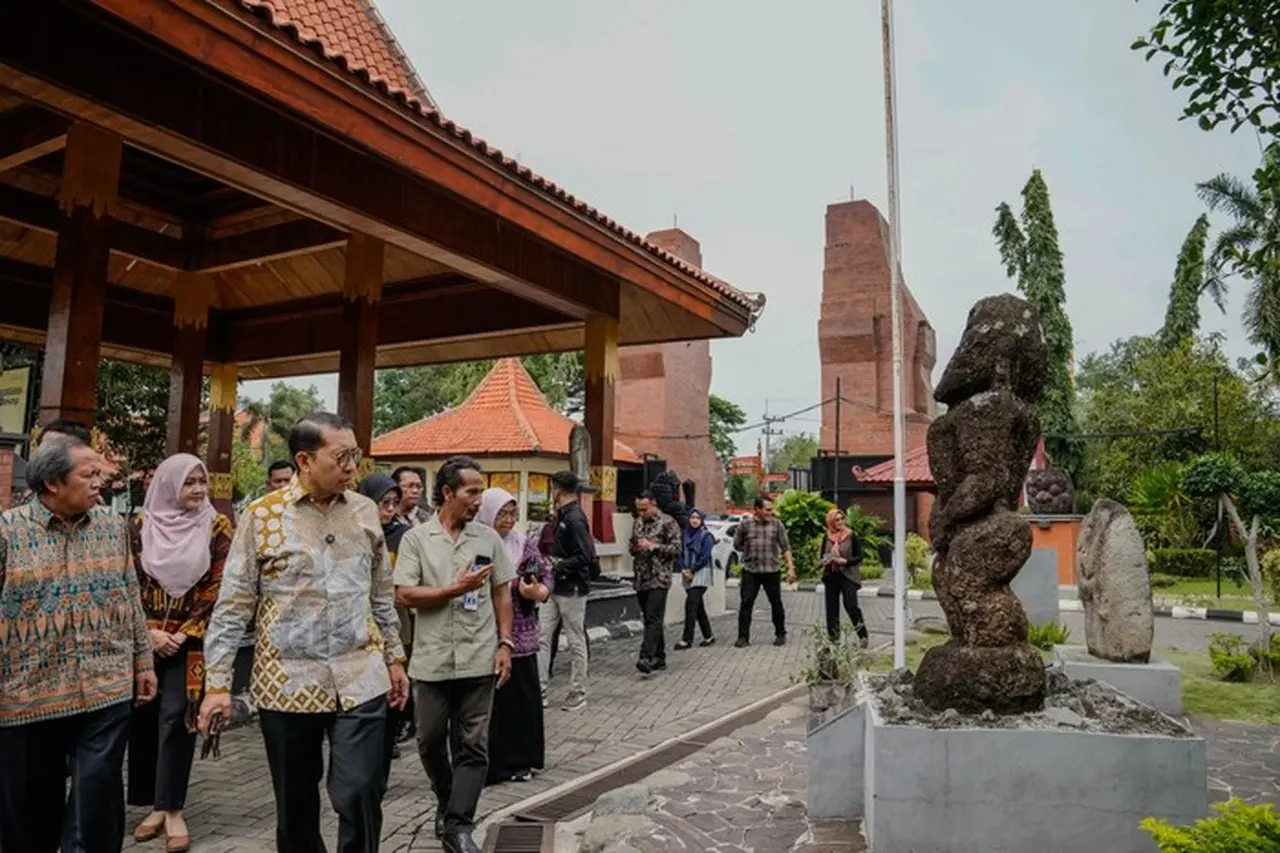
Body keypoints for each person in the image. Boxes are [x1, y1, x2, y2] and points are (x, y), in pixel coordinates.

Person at [199, 412, 409, 853]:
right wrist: (217, 684)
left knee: (359, 789)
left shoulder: (365, 511)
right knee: (295, 805)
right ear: (304, 460)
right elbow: (234, 605)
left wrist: (394, 657)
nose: (352, 467)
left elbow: (381, 595)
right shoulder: (262, 516)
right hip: (287, 684)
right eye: (341, 457)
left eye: (355, 455)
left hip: (360, 674)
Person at [0, 437, 157, 853]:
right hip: (27, 695)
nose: (99, 482)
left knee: (97, 801)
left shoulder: (112, 526)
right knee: (29, 813)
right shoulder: (7, 532)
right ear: (53, 483)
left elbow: (130, 595)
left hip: (106, 687)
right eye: (89, 475)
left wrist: (143, 662)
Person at [394, 456, 515, 853]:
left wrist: (505, 643)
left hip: (479, 656)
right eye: (471, 491)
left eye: (481, 491)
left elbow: (501, 592)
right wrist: (454, 590)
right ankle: (446, 798)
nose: (478, 499)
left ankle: (459, 825)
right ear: (447, 493)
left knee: (473, 744)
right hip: (431, 661)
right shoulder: (416, 539)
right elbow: (405, 594)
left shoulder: (488, 539)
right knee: (429, 741)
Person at [128, 454, 232, 852]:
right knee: (143, 716)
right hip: (145, 639)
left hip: (192, 644)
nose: (199, 489)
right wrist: (150, 631)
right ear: (169, 485)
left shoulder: (217, 526)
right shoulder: (139, 526)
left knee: (178, 717)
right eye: (189, 482)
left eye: (202, 481)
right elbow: (128, 581)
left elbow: (219, 584)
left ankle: (172, 808)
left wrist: (185, 631)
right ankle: (152, 803)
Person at [476, 487, 552, 785]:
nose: (508, 520)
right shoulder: (476, 543)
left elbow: (546, 576)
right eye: (501, 514)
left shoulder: (524, 544)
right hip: (485, 634)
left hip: (521, 636)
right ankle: (490, 765)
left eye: (512, 514)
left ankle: (523, 760)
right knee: (492, 705)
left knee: (521, 702)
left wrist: (538, 591)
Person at [356, 473, 413, 775]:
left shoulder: (404, 537)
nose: (390, 509)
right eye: (383, 503)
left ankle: (387, 746)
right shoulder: (354, 532)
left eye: (394, 503)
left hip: (395, 624)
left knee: (393, 689)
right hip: (359, 628)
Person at [538, 470, 596, 710]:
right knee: (542, 637)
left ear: (558, 490)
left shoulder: (575, 519)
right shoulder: (563, 516)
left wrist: (559, 565)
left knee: (574, 640)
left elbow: (585, 556)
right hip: (554, 585)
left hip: (572, 587)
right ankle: (539, 689)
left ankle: (578, 691)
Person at [732, 495, 796, 647]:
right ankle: (743, 637)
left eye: (771, 510)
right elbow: (737, 544)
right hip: (751, 571)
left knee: (776, 603)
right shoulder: (745, 525)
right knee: (746, 603)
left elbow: (785, 547)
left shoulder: (777, 524)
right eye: (767, 510)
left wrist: (790, 568)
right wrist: (749, 551)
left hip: (771, 570)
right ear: (757, 509)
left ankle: (780, 634)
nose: (770, 513)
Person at [629, 492, 681, 674]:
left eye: (645, 509)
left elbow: (676, 548)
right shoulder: (638, 522)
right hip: (641, 577)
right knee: (651, 619)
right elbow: (631, 547)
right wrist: (636, 546)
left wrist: (653, 547)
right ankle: (660, 656)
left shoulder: (668, 522)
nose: (642, 513)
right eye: (639, 510)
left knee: (653, 617)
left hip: (659, 577)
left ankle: (646, 657)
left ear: (654, 504)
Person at [820, 508, 870, 646]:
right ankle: (834, 640)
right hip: (831, 575)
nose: (840, 522)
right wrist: (826, 559)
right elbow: (823, 555)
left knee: (851, 606)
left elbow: (859, 556)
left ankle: (863, 636)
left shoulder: (851, 536)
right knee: (831, 609)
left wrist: (845, 561)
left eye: (842, 518)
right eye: (837, 520)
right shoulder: (827, 536)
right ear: (831, 522)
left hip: (848, 575)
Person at [674, 507, 717, 650]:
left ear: (702, 520)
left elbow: (704, 557)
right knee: (698, 607)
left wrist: (692, 570)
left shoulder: (706, 536)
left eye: (698, 518)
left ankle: (687, 639)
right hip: (687, 573)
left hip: (701, 572)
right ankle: (708, 636)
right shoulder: (684, 535)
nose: (695, 520)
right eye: (692, 517)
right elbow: (680, 554)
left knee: (691, 604)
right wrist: (684, 569)